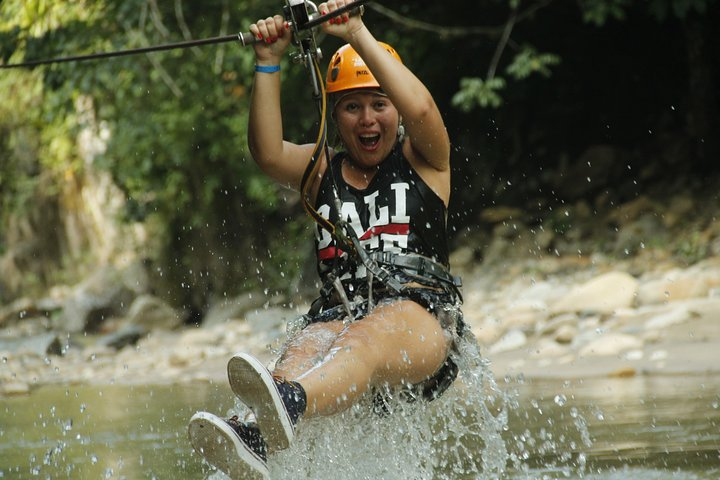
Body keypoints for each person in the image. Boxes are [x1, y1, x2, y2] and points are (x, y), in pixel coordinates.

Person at [188, 1, 464, 478]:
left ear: (394, 109)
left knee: (362, 336)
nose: (367, 119)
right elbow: (267, 152)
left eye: (379, 104)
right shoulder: (322, 171)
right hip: (339, 318)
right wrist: (267, 60)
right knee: (301, 349)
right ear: (335, 117)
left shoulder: (427, 160)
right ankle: (254, 435)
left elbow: (421, 107)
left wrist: (356, 32)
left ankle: (291, 402)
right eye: (352, 107)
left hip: (420, 318)